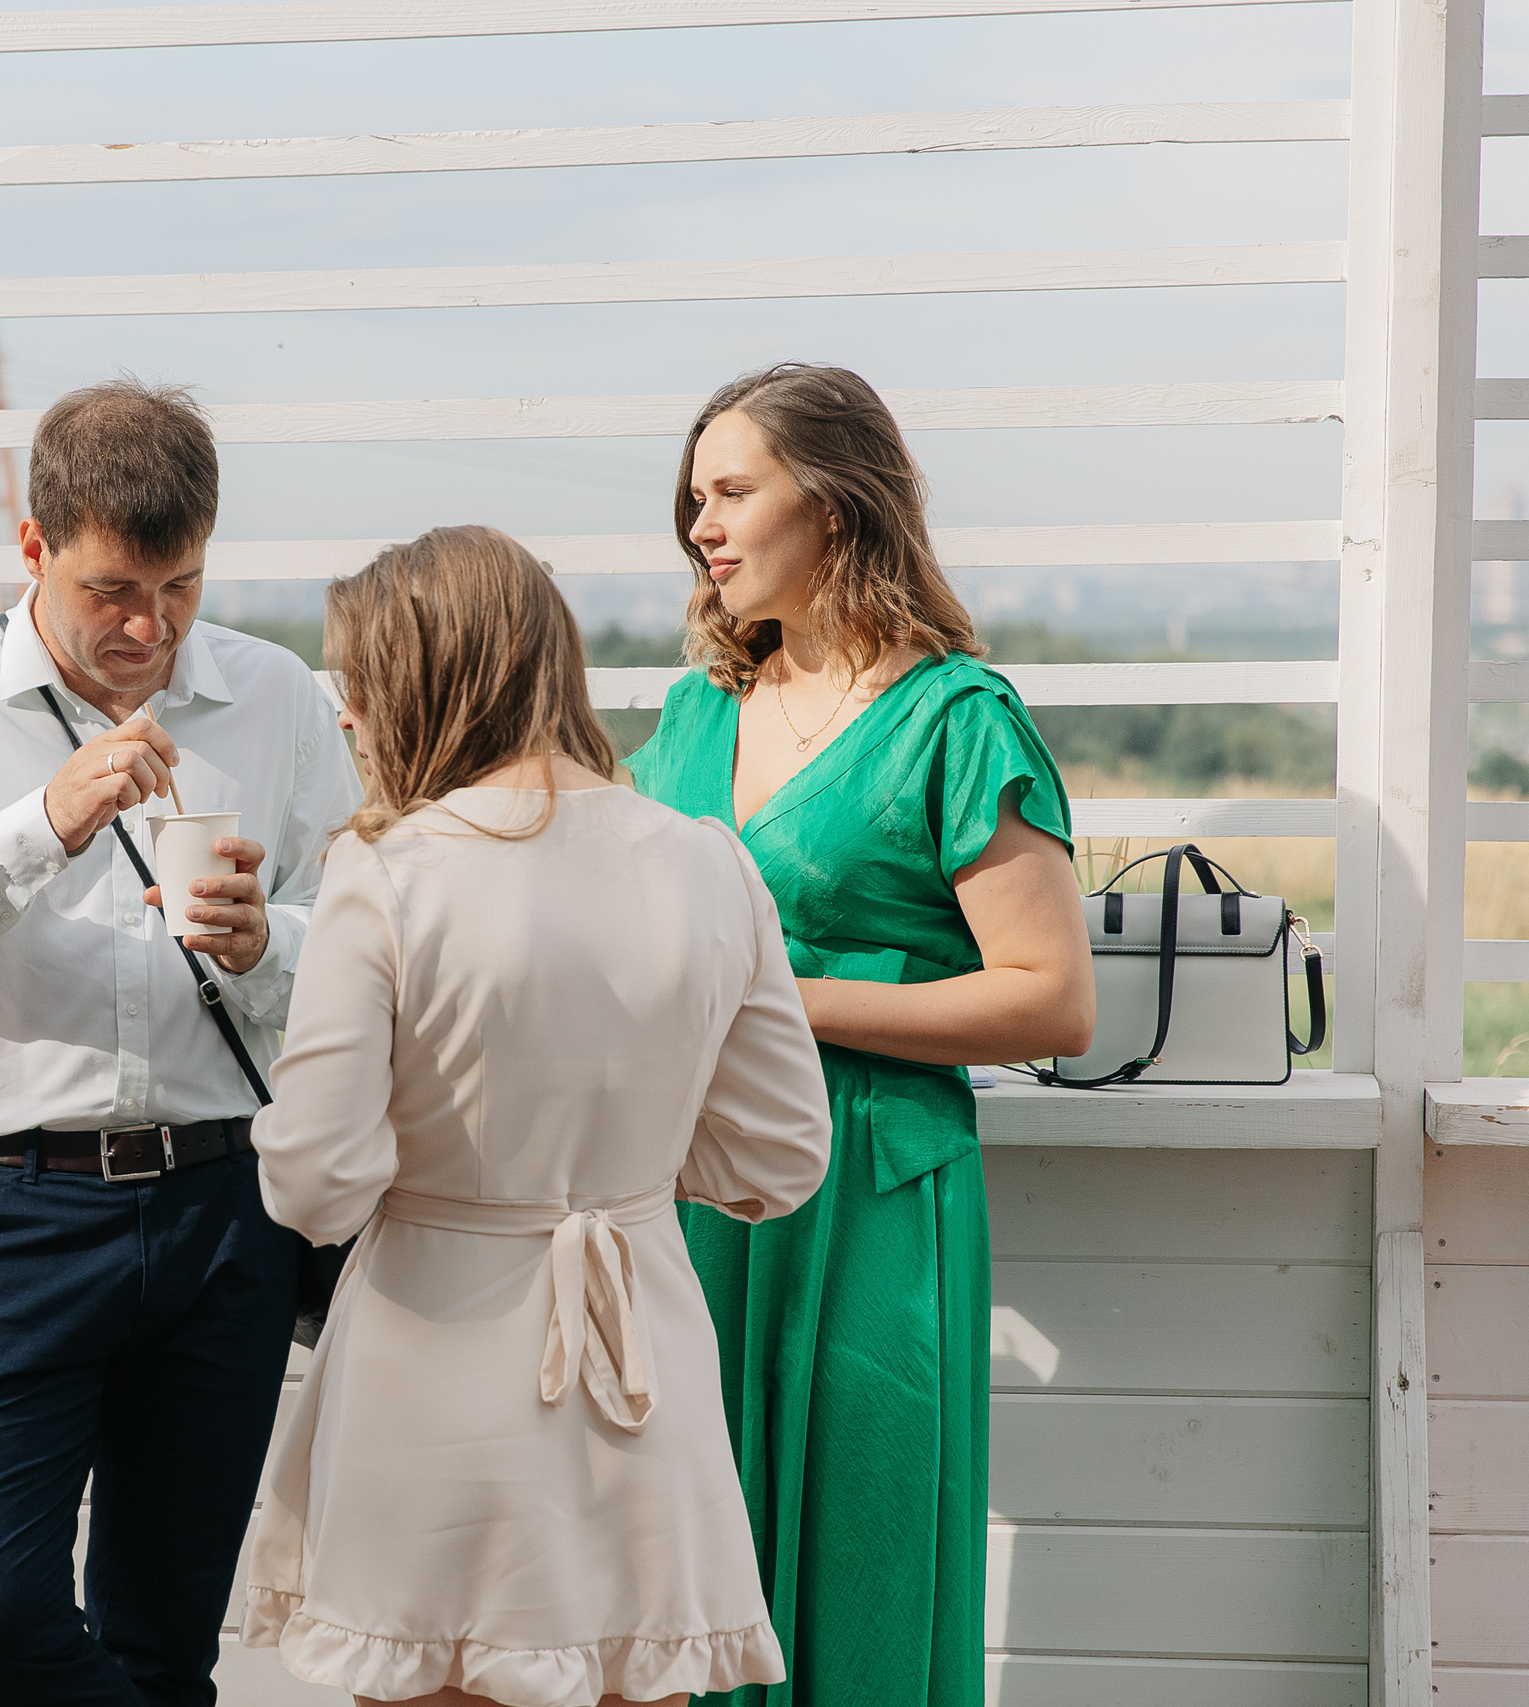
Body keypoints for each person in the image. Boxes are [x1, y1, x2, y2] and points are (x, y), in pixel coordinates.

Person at [0, 377, 363, 1706]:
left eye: (180, 588)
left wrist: (269, 943)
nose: (149, 627)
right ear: (33, 545)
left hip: (226, 1210)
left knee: (163, 1645)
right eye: (112, 589)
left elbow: (372, 935)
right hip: (8, 1209)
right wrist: (39, 826)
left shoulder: (278, 699)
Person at [240, 524, 837, 1707]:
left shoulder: (390, 871)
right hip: (643, 1353)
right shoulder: (707, 862)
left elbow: (313, 1185)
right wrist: (621, 1164)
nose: (346, 714)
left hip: (435, 1363)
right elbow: (777, 1153)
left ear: (422, 680)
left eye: (357, 681)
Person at [624, 364, 1096, 1707]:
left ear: (833, 502)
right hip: (690, 1191)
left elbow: (1052, 999)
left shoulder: (958, 718)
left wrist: (778, 996)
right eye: (694, 499)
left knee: (860, 1559)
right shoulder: (696, 711)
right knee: (683, 1576)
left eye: (731, 492)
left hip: (874, 1198)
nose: (701, 527)